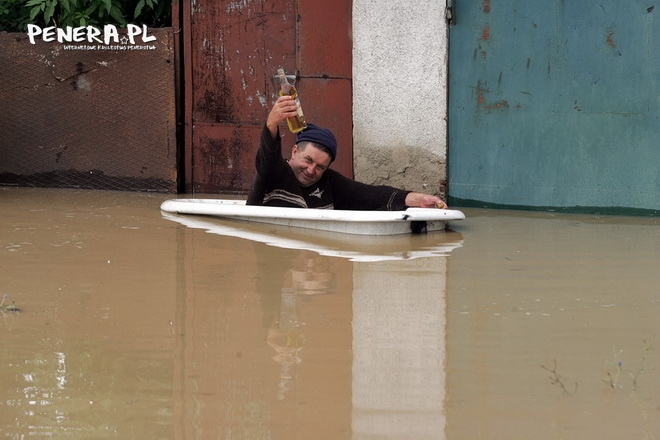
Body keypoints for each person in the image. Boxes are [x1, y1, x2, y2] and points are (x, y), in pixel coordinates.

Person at [247, 95, 448, 211]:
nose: (311, 170)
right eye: (308, 160)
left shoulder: (329, 183)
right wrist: (272, 123)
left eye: (320, 167)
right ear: (294, 151)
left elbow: (370, 195)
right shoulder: (273, 172)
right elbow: (267, 156)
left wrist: (417, 199)